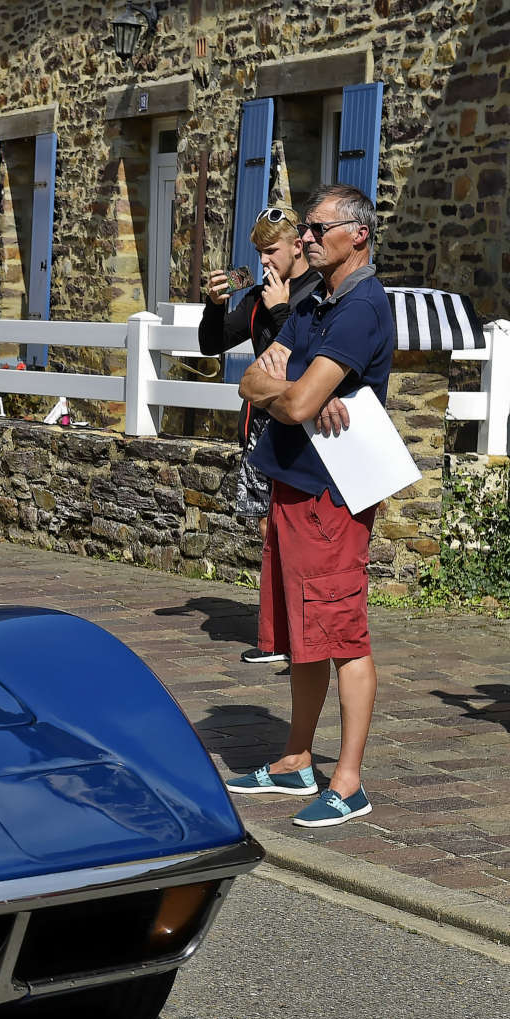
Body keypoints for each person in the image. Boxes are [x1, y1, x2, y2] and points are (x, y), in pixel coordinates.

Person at [228, 184, 393, 828]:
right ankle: (297, 758)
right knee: (302, 635)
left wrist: (287, 387)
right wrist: (287, 386)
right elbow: (249, 377)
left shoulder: (359, 308)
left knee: (341, 632)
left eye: (319, 229)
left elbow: (292, 403)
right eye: (305, 228)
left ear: (358, 234)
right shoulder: (317, 299)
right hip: (294, 482)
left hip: (332, 493)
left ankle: (348, 781)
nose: (305, 238)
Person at [201, 204, 324, 664]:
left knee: (296, 534)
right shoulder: (258, 295)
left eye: (272, 251)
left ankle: (300, 636)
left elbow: (305, 364)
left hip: (300, 427)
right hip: (258, 428)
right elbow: (211, 344)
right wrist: (216, 306)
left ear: (298, 245)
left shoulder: (315, 295)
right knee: (268, 532)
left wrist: (279, 314)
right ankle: (278, 635)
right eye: (259, 253)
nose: (265, 261)